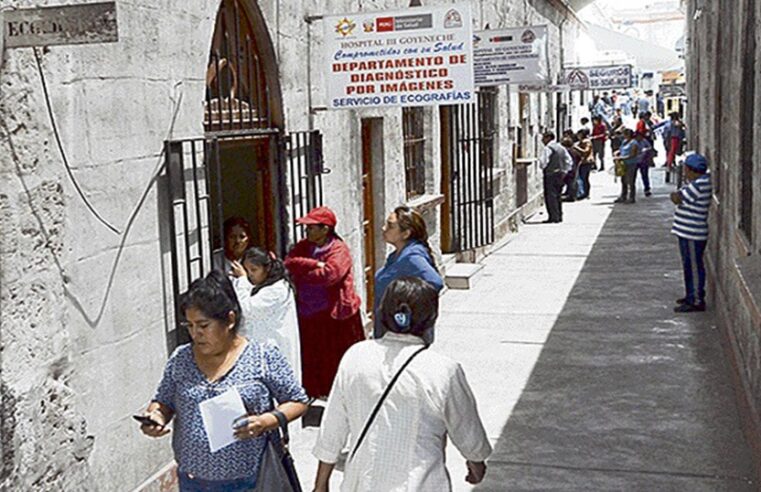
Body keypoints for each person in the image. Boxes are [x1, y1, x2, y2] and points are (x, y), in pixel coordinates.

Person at [312, 277, 492, 491]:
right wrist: (475, 462)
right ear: (431, 318)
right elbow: (466, 428)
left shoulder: (356, 356)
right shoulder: (443, 370)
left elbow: (333, 429)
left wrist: (320, 484)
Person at [138, 270, 308, 491]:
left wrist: (266, 421)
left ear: (229, 319)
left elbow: (298, 401)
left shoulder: (262, 356)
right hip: (193, 480)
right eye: (189, 326)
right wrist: (156, 416)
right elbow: (163, 401)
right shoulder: (181, 359)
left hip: (251, 480)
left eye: (203, 325)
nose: (195, 333)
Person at [284, 206, 365, 398]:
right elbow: (289, 261)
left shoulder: (339, 250)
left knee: (337, 361)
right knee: (314, 361)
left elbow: (330, 274)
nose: (307, 231)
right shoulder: (305, 246)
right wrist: (313, 264)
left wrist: (303, 273)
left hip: (334, 316)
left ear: (325, 229)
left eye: (311, 227)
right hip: (309, 313)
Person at [231, 247, 302, 383]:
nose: (250, 274)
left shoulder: (277, 289)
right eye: (246, 270)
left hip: (273, 346)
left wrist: (242, 280)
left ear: (267, 268)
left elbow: (248, 308)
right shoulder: (262, 287)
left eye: (254, 270)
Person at [373, 206, 443, 339]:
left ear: (405, 233)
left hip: (403, 334)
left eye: (390, 226)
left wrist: (408, 307)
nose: (383, 228)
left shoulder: (412, 257)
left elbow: (435, 282)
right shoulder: (397, 255)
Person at [670, 154, 712, 313]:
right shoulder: (697, 182)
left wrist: (677, 195)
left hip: (693, 233)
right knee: (688, 265)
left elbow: (677, 198)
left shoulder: (698, 185)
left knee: (693, 267)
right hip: (687, 231)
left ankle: (696, 299)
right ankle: (690, 294)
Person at [540, 131, 573, 223]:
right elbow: (568, 161)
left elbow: (543, 161)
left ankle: (553, 217)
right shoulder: (561, 147)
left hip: (551, 174)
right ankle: (559, 216)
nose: (542, 140)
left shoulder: (548, 148)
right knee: (558, 195)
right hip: (560, 174)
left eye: (544, 137)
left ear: (548, 138)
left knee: (550, 196)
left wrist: (543, 167)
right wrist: (565, 171)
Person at [614, 128, 640, 204]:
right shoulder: (624, 142)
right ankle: (623, 196)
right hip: (623, 164)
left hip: (631, 164)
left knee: (631, 181)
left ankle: (632, 197)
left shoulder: (634, 143)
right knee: (623, 180)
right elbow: (621, 149)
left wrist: (621, 157)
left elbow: (632, 154)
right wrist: (617, 152)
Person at [574, 129, 594, 200]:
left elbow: (586, 151)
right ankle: (585, 193)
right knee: (584, 178)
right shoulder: (582, 141)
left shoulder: (586, 141)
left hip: (586, 162)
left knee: (582, 178)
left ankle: (583, 193)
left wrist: (576, 148)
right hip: (584, 161)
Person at [634, 131, 654, 197]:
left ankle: (647, 189)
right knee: (633, 176)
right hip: (635, 161)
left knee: (645, 175)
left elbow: (650, 147)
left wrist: (647, 150)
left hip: (643, 161)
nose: (640, 138)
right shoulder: (633, 142)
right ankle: (632, 189)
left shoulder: (644, 141)